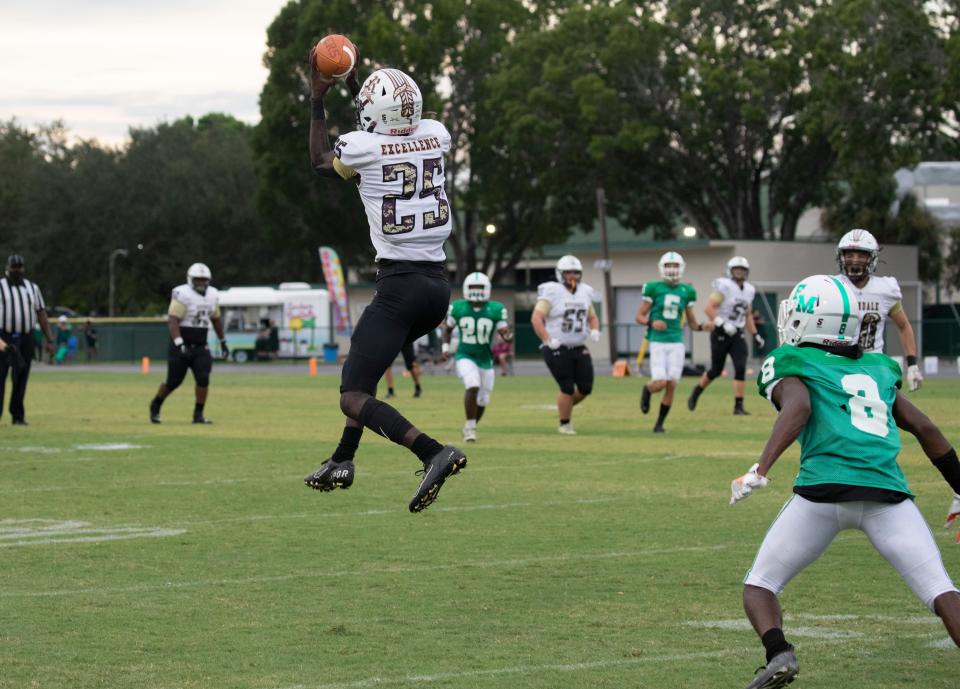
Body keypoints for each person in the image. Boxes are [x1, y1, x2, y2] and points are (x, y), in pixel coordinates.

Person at [729, 275, 960, 689]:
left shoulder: (790, 360)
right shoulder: (878, 365)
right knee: (942, 591)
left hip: (823, 493)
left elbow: (797, 407)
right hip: (887, 495)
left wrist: (759, 469)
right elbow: (924, 428)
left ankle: (779, 652)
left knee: (759, 586)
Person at [302, 53, 466, 513]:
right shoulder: (435, 135)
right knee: (364, 372)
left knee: (352, 395)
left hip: (399, 287)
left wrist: (318, 100)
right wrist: (360, 84)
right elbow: (393, 130)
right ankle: (342, 458)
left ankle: (433, 451)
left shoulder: (361, 148)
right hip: (437, 287)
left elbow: (319, 161)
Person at [835, 228, 923, 391]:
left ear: (872, 258)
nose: (855, 260)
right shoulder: (831, 287)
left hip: (874, 364)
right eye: (850, 254)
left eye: (861, 255)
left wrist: (912, 365)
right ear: (841, 256)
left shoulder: (885, 289)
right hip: (838, 364)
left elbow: (904, 326)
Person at [635, 251, 711, 433]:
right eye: (668, 266)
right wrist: (652, 322)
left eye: (675, 266)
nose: (671, 270)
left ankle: (659, 424)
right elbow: (639, 316)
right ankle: (647, 390)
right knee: (660, 382)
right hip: (658, 341)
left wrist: (703, 327)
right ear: (662, 268)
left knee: (672, 385)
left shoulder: (687, 291)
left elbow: (692, 323)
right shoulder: (653, 288)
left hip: (677, 341)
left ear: (681, 268)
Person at [149, 263, 228, 424]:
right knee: (174, 381)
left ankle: (198, 415)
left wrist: (223, 341)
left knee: (203, 379)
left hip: (200, 345)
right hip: (182, 343)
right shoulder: (183, 293)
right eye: (198, 280)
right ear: (190, 280)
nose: (201, 283)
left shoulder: (212, 295)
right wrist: (179, 344)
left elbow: (216, 319)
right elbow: (173, 320)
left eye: (204, 280)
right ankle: (155, 404)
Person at [531, 255, 601, 435]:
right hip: (556, 347)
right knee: (567, 387)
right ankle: (565, 423)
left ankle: (564, 406)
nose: (573, 276)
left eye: (576, 272)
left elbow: (592, 316)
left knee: (586, 388)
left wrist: (595, 329)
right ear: (560, 273)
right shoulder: (551, 291)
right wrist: (547, 339)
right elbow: (536, 318)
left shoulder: (585, 291)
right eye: (568, 272)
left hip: (578, 346)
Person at [441, 271, 513, 442]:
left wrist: (508, 336)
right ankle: (471, 428)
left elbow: (504, 331)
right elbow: (447, 329)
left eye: (479, 287)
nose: (476, 290)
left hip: (485, 358)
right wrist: (445, 347)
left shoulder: (496, 309)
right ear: (466, 289)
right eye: (473, 287)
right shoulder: (458, 307)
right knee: (472, 385)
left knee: (483, 398)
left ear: (487, 289)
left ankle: (469, 425)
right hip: (465, 354)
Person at [688, 256, 764, 415]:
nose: (739, 272)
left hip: (737, 333)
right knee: (716, 370)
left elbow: (748, 314)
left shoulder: (749, 290)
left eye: (742, 270)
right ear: (730, 271)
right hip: (720, 332)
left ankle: (738, 406)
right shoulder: (725, 287)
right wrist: (722, 323)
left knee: (741, 367)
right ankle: (696, 391)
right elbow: (708, 308)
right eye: (736, 269)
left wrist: (755, 334)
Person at [0, 255, 55, 424]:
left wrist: (49, 339)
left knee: (21, 377)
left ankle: (17, 415)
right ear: (7, 268)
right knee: (0, 376)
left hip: (25, 337)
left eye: (19, 267)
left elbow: (41, 313)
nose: (17, 270)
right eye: (14, 267)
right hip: (4, 337)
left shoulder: (32, 288)